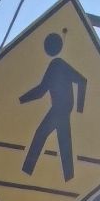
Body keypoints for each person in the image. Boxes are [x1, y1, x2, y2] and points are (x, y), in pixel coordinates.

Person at [18, 31, 86, 181]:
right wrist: (20, 100)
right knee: (64, 143)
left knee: (41, 135)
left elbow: (82, 81)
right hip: (61, 109)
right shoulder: (55, 65)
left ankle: (25, 173)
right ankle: (69, 178)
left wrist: (79, 109)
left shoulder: (58, 64)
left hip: (60, 109)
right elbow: (41, 91)